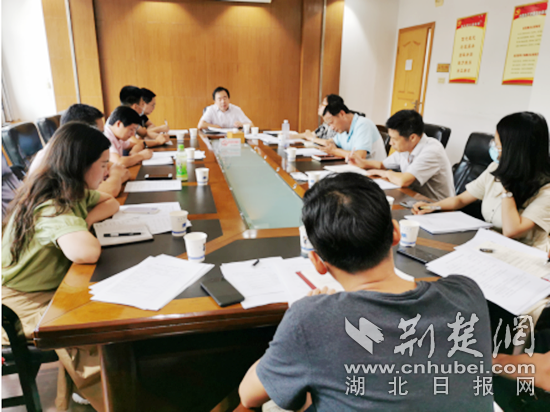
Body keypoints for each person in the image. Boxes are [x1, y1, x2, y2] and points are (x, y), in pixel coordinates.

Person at [239, 173, 493, 411]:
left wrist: (304, 325)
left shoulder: (310, 319)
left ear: (317, 262)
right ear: (395, 233)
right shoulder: (467, 293)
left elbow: (248, 395)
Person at [2, 122, 120, 411]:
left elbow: (111, 202)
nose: (107, 172)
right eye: (103, 165)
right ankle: (110, 395)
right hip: (18, 305)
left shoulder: (71, 189)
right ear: (80, 165)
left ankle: (90, 389)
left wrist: (84, 220)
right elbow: (86, 252)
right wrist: (80, 225)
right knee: (94, 324)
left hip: (44, 289)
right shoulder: (51, 205)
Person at [413, 112, 550, 252]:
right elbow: (460, 200)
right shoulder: (494, 168)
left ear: (513, 150)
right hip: (490, 244)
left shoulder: (546, 190)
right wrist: (433, 207)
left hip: (524, 254)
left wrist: (507, 187)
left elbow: (511, 231)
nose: (494, 148)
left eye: (498, 144)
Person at [349, 109, 455, 201]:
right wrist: (362, 163)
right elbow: (382, 164)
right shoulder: (407, 147)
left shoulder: (432, 150)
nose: (390, 143)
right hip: (413, 200)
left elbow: (403, 180)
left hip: (437, 207)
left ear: (412, 138)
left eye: (394, 139)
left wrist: (386, 173)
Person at [28, 103, 131, 197]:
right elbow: (110, 190)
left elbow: (119, 168)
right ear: (80, 132)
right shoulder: (58, 157)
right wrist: (116, 176)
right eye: (98, 133)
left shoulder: (76, 149)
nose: (102, 138)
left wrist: (115, 176)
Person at [303, 102, 386, 160]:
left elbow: (360, 157)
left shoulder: (363, 124)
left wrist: (334, 151)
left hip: (373, 173)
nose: (331, 127)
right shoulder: (343, 129)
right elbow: (332, 142)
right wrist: (330, 145)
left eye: (331, 122)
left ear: (342, 114)